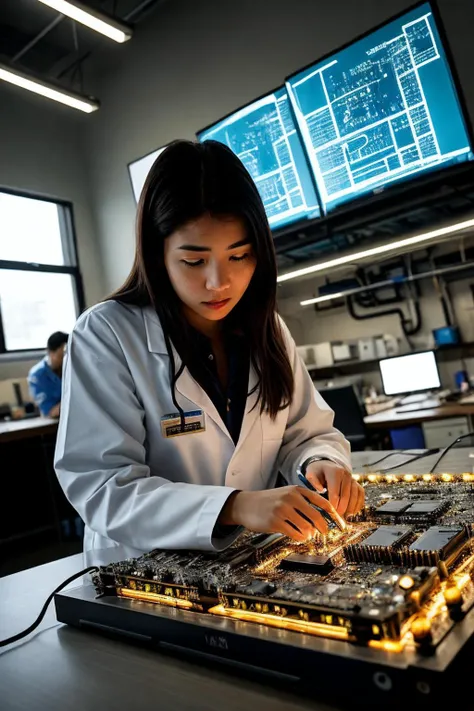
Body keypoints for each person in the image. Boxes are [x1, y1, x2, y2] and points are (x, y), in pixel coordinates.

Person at [55, 140, 364, 557]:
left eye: (239, 256)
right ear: (157, 252)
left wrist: (318, 462)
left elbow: (306, 433)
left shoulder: (266, 328)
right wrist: (234, 506)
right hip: (145, 573)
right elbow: (102, 485)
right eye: (195, 261)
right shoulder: (107, 334)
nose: (219, 282)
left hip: (253, 564)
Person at [28, 331, 68, 418]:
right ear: (50, 352)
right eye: (61, 356)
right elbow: (49, 411)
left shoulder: (71, 367)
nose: (65, 360)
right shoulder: (37, 375)